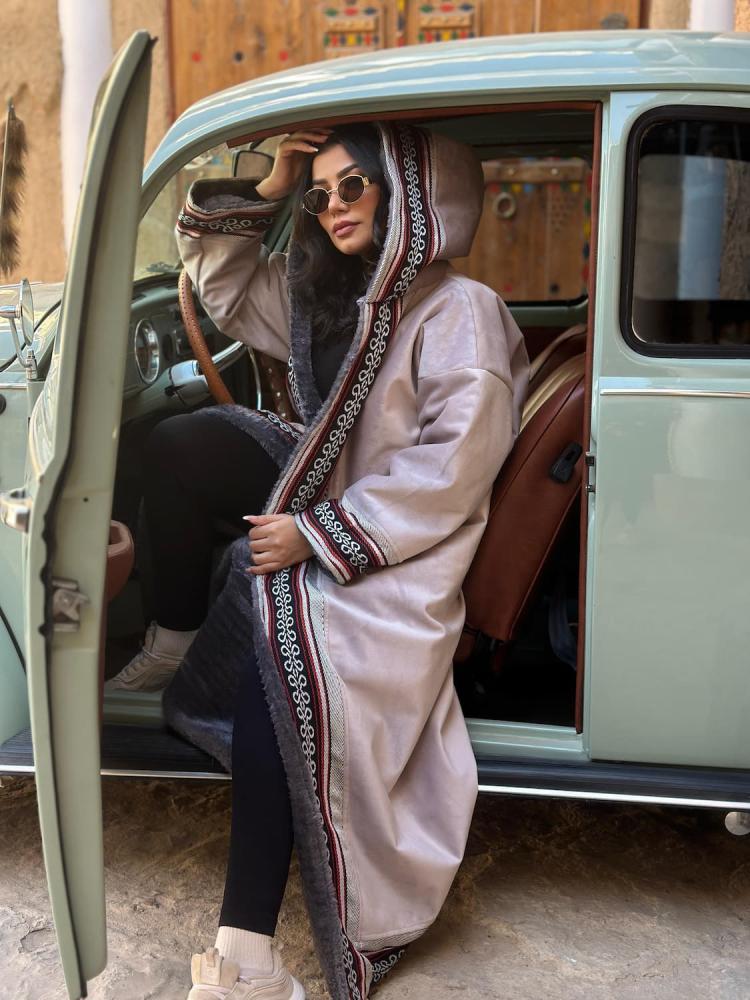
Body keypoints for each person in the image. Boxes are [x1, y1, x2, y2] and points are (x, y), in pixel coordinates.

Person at [108, 122, 529, 1000]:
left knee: (286, 644)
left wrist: (317, 533)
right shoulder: (335, 293)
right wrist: (269, 191)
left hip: (400, 546)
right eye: (320, 193)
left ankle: (245, 959)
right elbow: (225, 290)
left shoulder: (463, 311)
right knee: (180, 445)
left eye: (354, 187)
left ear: (410, 192)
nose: (333, 206)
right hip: (324, 480)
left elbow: (452, 470)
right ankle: (177, 639)